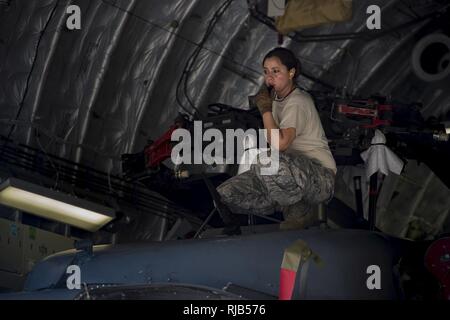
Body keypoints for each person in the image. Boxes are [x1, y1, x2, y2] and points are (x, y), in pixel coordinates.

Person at [216, 47, 337, 235]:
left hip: (319, 179)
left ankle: (303, 210)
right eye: (266, 72)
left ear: (291, 73)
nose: (269, 77)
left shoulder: (297, 101)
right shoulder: (275, 100)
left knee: (267, 161)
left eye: (276, 71)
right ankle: (287, 209)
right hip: (287, 176)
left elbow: (280, 144)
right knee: (226, 192)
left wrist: (265, 110)